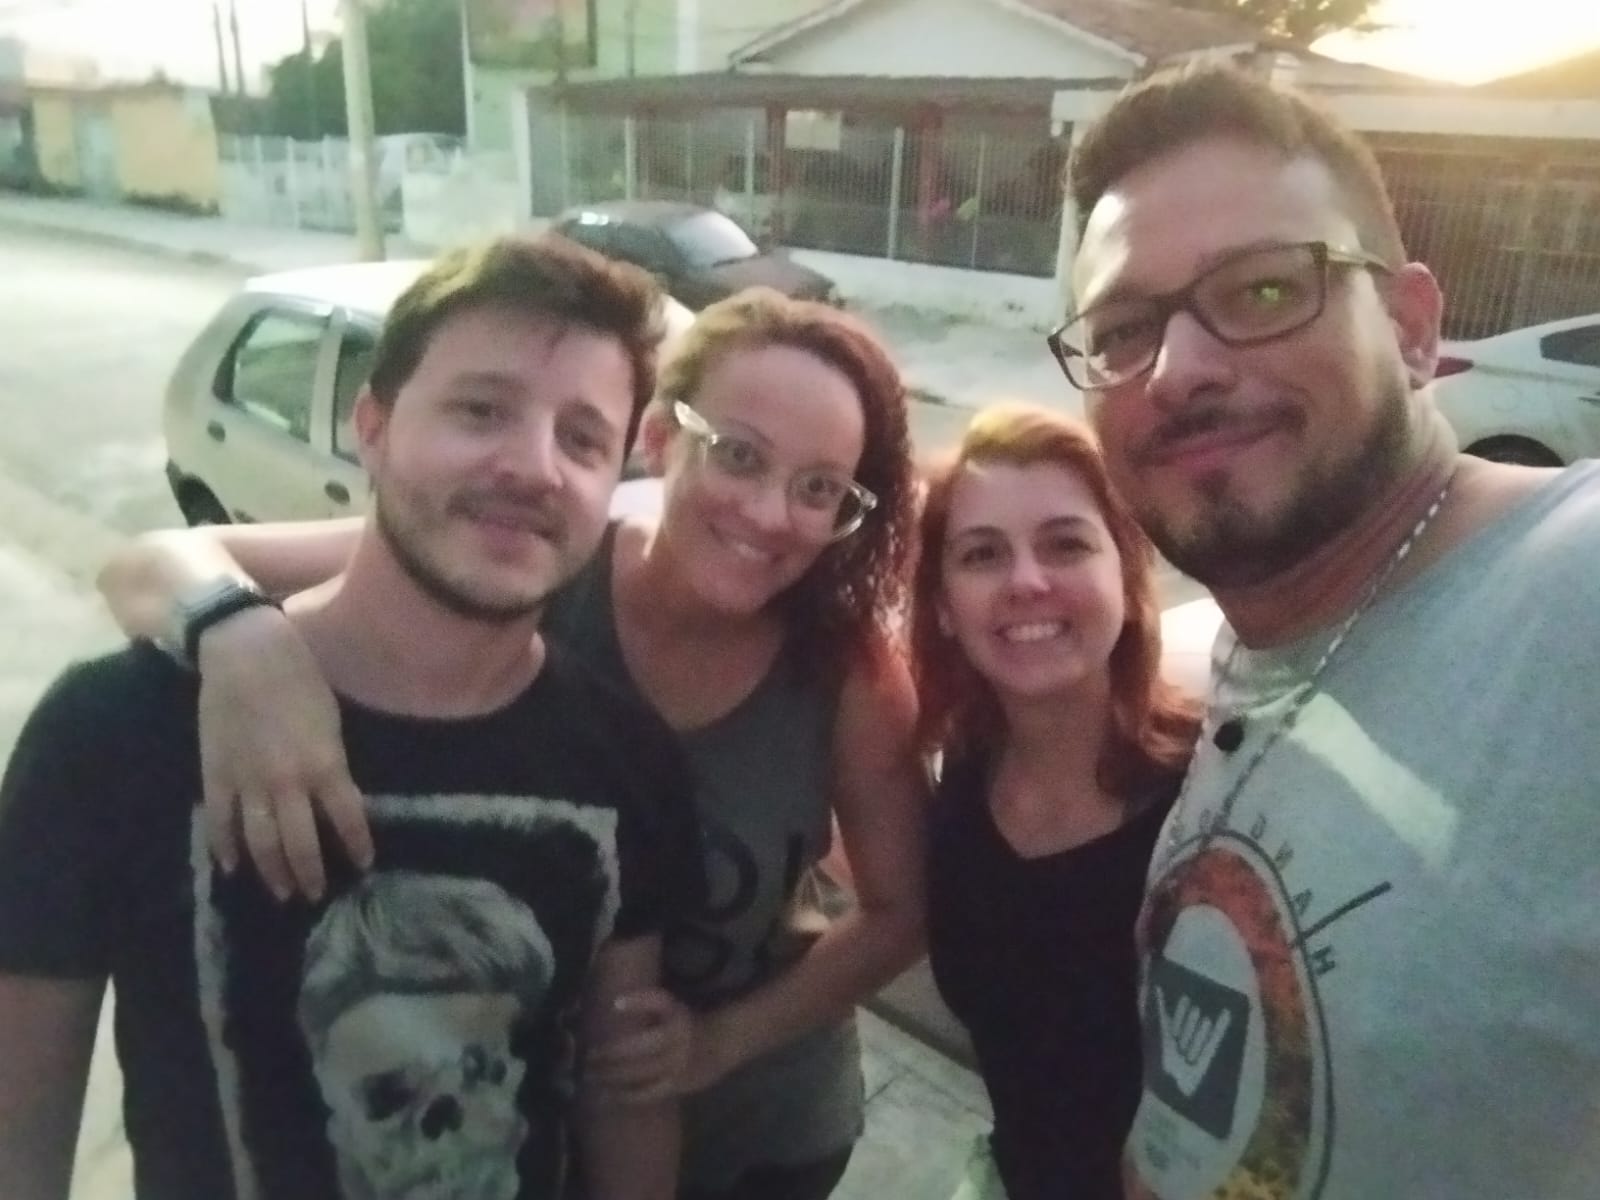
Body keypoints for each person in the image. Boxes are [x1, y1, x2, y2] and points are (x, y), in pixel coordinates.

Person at [92, 287, 929, 1200]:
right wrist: (244, 639)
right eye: (739, 454)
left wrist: (717, 1043)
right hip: (501, 1121)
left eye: (818, 488)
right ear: (660, 439)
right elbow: (153, 562)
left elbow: (900, 912)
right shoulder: (541, 560)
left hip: (762, 1132)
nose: (771, 513)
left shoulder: (844, 672)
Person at [0, 233, 705, 1200]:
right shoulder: (116, 733)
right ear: (371, 427)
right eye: (481, 409)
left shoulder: (625, 759)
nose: (534, 466)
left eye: (583, 439)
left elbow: (621, 1098)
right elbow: (21, 1133)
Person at [1051, 62, 1600, 1198]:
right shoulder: (1254, 658)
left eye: (1261, 290)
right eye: (1123, 329)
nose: (1178, 371)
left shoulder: (1569, 585)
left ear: (1412, 329)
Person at [908, 403, 1199, 1200]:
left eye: (1066, 544)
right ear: (943, 606)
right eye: (981, 554)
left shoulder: (1213, 800)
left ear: (1127, 578)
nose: (1027, 582)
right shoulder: (961, 767)